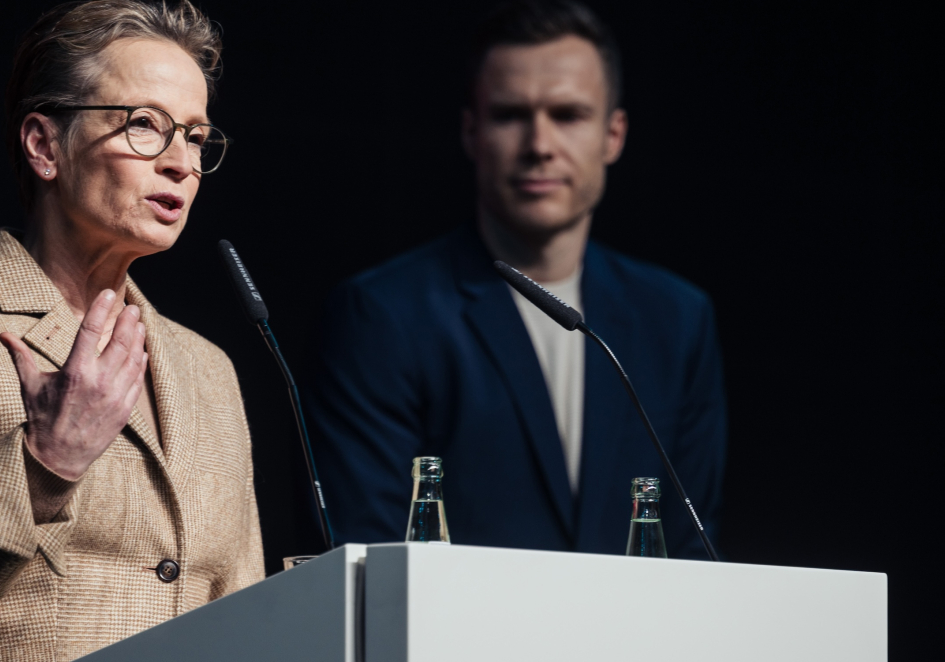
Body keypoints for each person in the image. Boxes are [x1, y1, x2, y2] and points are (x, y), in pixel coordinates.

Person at [0, 2, 261, 659]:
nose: (181, 163)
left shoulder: (210, 370)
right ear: (44, 146)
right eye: (146, 126)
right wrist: (44, 465)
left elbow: (246, 612)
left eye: (194, 135)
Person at [308, 0, 727, 558]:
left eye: (569, 114)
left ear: (614, 134)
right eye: (511, 115)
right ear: (471, 132)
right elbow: (368, 563)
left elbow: (693, 556)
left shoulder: (677, 318)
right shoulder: (381, 315)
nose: (539, 145)